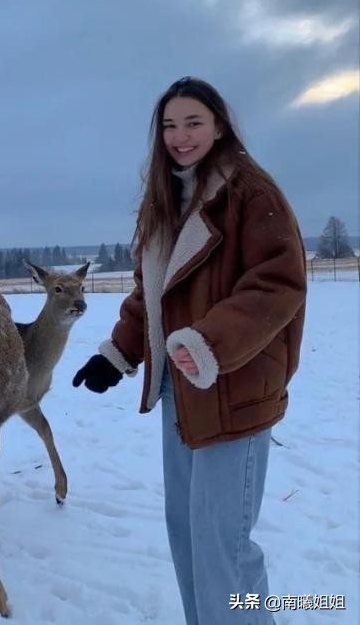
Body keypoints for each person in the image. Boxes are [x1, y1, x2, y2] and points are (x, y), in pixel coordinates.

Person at [73, 76, 306, 625]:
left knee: (223, 546)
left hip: (234, 386)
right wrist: (118, 353)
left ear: (220, 125)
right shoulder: (165, 198)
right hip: (181, 390)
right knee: (188, 534)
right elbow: (152, 292)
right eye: (170, 126)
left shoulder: (251, 194)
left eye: (193, 123)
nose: (181, 136)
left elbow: (278, 283)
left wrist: (209, 343)